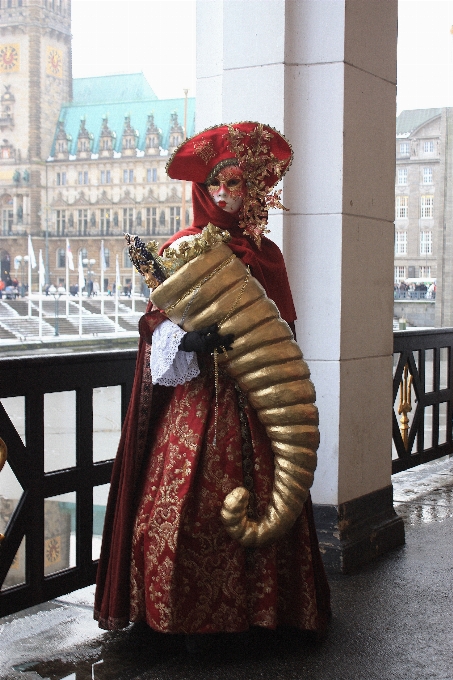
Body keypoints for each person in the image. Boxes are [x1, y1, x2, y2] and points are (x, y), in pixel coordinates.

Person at [94, 122, 330, 645]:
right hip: (199, 397)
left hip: (255, 400)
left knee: (269, 490)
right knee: (180, 504)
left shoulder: (265, 254)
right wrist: (187, 340)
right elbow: (154, 325)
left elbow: (282, 331)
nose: (225, 194)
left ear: (253, 191)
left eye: (237, 185)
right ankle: (187, 616)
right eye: (216, 185)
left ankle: (267, 612)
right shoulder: (181, 249)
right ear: (202, 189)